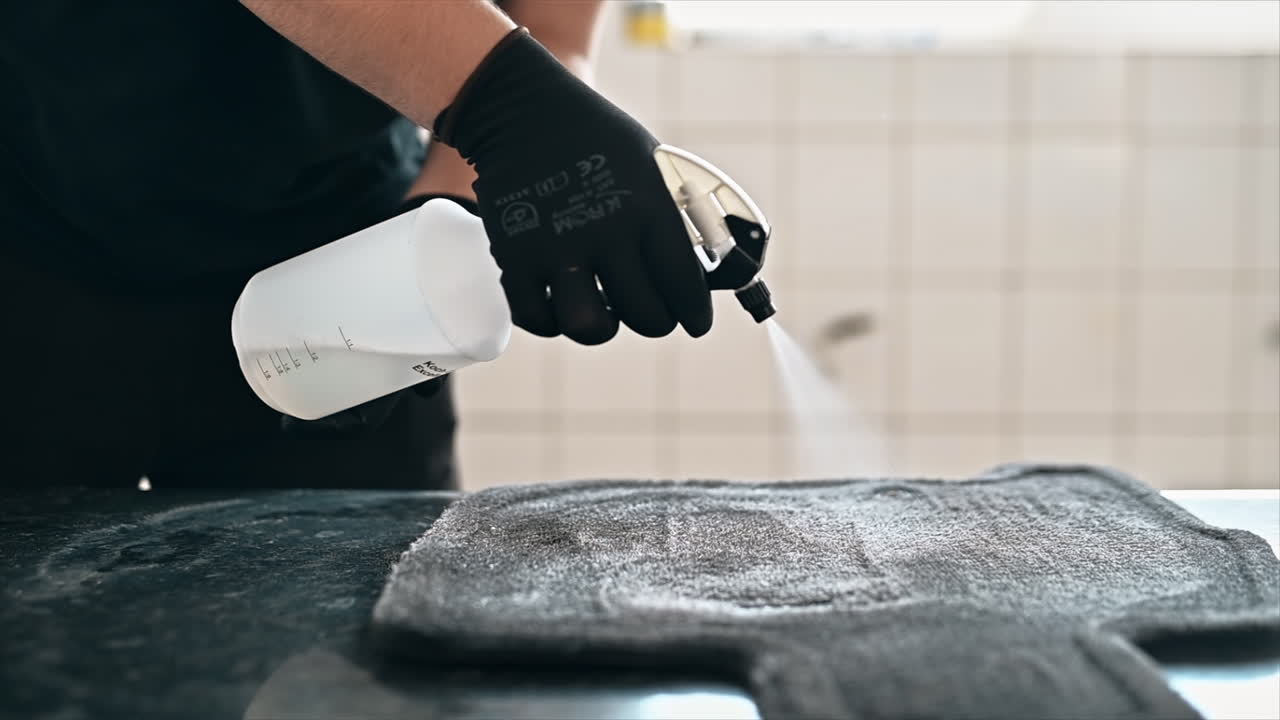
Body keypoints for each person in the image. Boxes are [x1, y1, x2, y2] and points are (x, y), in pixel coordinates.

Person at [1, 1, 713, 490]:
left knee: (365, 635)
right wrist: (509, 103)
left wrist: (442, 213)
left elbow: (553, 27)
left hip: (346, 257)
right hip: (41, 240)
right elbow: (516, 92)